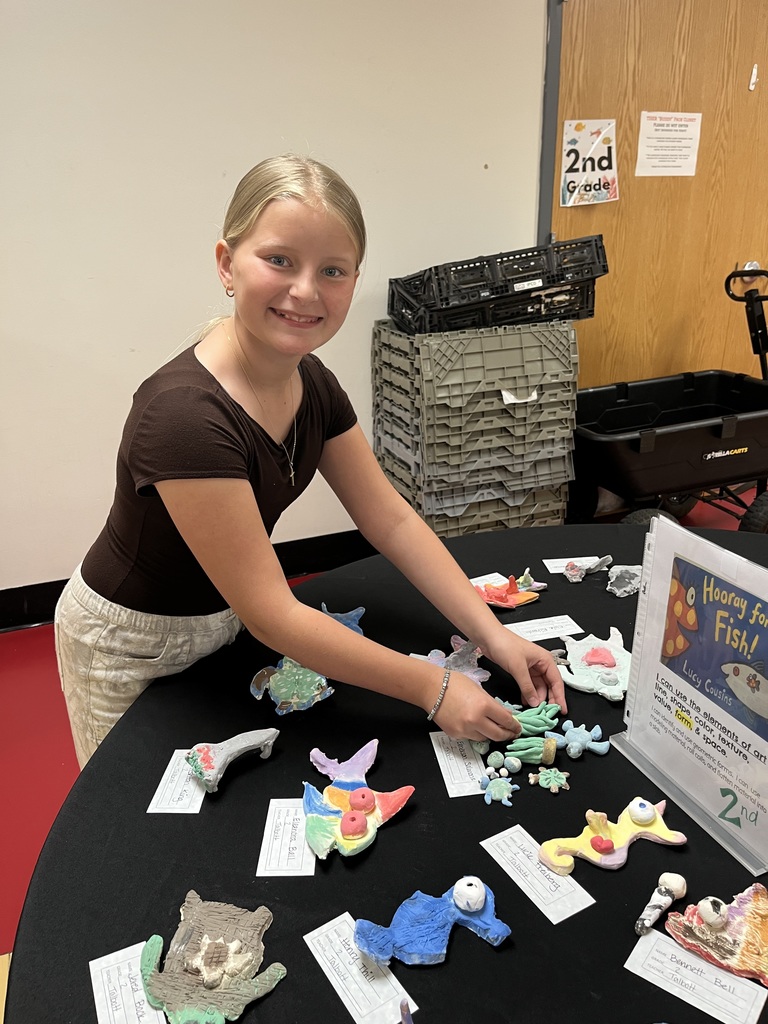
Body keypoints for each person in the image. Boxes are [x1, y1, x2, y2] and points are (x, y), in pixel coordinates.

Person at [54, 154, 566, 769]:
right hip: (131, 646)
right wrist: (432, 690)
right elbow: (271, 609)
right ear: (226, 264)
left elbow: (391, 520)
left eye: (332, 270)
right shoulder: (184, 415)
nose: (305, 291)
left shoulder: (311, 382)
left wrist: (495, 634)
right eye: (279, 260)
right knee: (130, 825)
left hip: (226, 615)